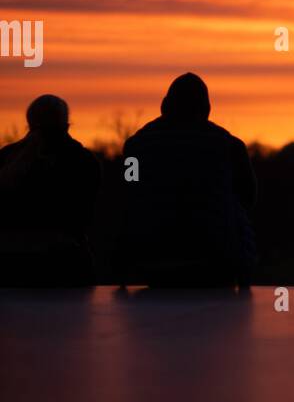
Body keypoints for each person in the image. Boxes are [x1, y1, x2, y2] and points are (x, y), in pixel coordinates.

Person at [120, 73, 256, 287]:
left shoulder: (136, 148)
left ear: (164, 106)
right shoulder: (230, 147)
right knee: (236, 209)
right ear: (206, 109)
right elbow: (248, 196)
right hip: (216, 261)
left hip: (149, 259)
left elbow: (128, 191)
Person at [0, 94, 100, 285]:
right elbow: (84, 217)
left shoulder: (6, 157)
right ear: (66, 125)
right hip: (63, 262)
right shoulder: (83, 161)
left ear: (29, 123)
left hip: (8, 262)